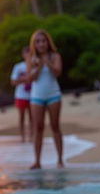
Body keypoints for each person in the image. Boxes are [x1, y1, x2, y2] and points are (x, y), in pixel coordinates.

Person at [27, 29, 63, 169]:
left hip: (53, 94)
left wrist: (47, 63)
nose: (41, 44)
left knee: (55, 126)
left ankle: (59, 159)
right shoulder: (31, 58)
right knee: (38, 128)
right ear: (34, 44)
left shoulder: (55, 56)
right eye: (38, 41)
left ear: (48, 42)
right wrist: (38, 66)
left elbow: (57, 72)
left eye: (43, 41)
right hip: (37, 96)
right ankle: (37, 161)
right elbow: (30, 78)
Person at [10, 46, 32, 141]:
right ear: (23, 55)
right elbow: (13, 82)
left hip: (33, 95)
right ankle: (22, 136)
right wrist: (24, 79)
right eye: (26, 53)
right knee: (22, 117)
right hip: (21, 95)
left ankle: (32, 135)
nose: (28, 55)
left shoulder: (36, 65)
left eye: (30, 53)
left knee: (32, 117)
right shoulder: (18, 67)